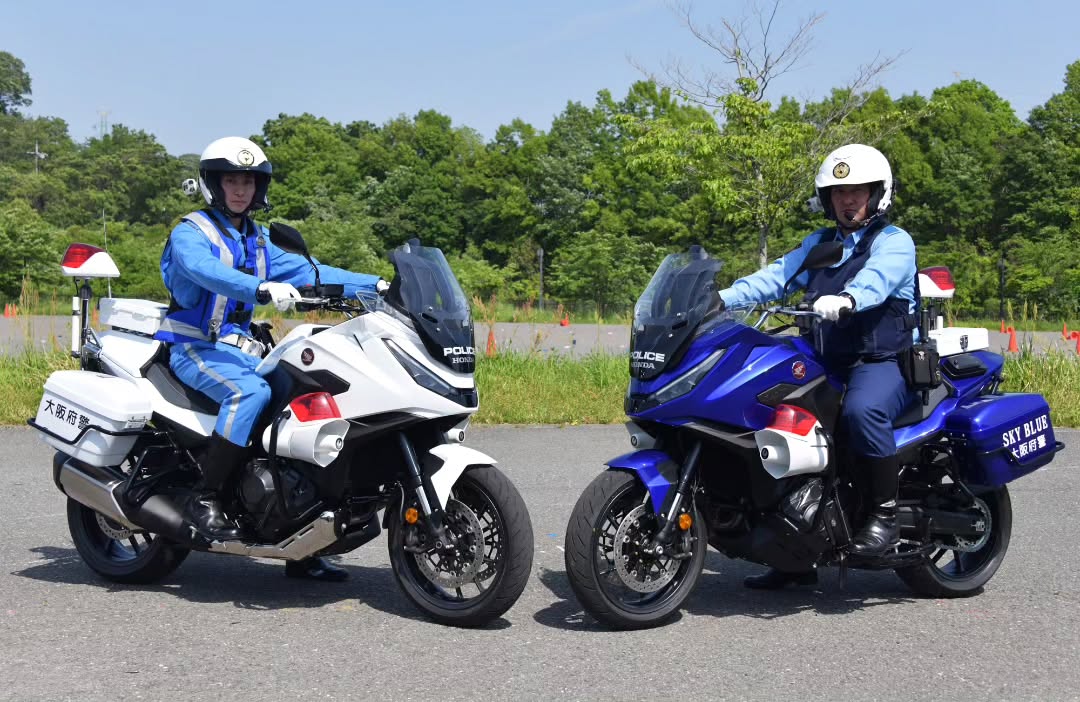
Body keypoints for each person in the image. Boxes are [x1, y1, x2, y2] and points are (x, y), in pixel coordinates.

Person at [154, 136, 384, 581]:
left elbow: (313, 272)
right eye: (231, 181)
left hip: (242, 350)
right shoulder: (190, 233)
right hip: (195, 348)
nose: (240, 190)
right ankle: (206, 497)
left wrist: (376, 285)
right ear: (213, 184)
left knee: (311, 397)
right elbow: (206, 271)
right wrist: (258, 288)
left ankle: (299, 536)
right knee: (250, 394)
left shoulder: (257, 241)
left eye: (248, 182)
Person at [716, 143, 918, 590]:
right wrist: (720, 299)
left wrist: (847, 299)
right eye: (839, 192)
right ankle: (793, 548)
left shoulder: (894, 242)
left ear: (877, 194)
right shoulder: (820, 245)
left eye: (858, 191)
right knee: (767, 408)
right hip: (825, 359)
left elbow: (877, 280)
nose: (848, 200)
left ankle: (885, 516)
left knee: (861, 412)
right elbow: (777, 276)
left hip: (881, 361)